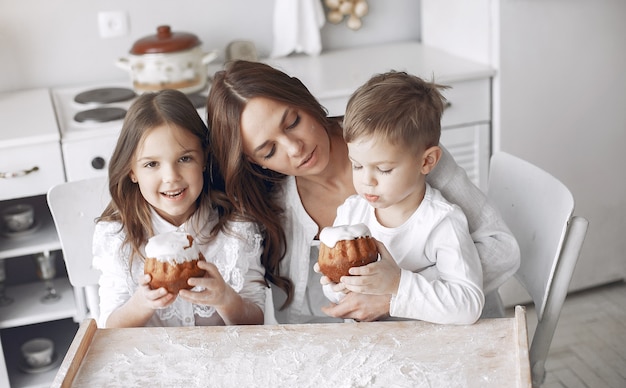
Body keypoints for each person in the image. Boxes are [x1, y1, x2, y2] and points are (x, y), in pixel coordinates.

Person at [207, 60, 520, 324]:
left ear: (302, 98)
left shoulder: (393, 144)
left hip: (460, 334)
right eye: (269, 149)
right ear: (253, 160)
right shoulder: (266, 200)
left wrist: (393, 296)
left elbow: (501, 250)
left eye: (292, 122)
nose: (295, 147)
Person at [319, 71, 484, 324]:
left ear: (427, 161)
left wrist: (397, 283)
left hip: (427, 346)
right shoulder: (351, 213)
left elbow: (468, 304)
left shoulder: (441, 222)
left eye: (383, 169)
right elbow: (344, 296)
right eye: (357, 165)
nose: (367, 180)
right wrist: (336, 285)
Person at [93, 89, 266, 328]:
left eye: (184, 159)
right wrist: (141, 304)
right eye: (152, 164)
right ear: (131, 171)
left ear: (204, 158)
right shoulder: (117, 235)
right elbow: (108, 329)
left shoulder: (236, 227)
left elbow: (257, 320)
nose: (171, 177)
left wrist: (226, 299)